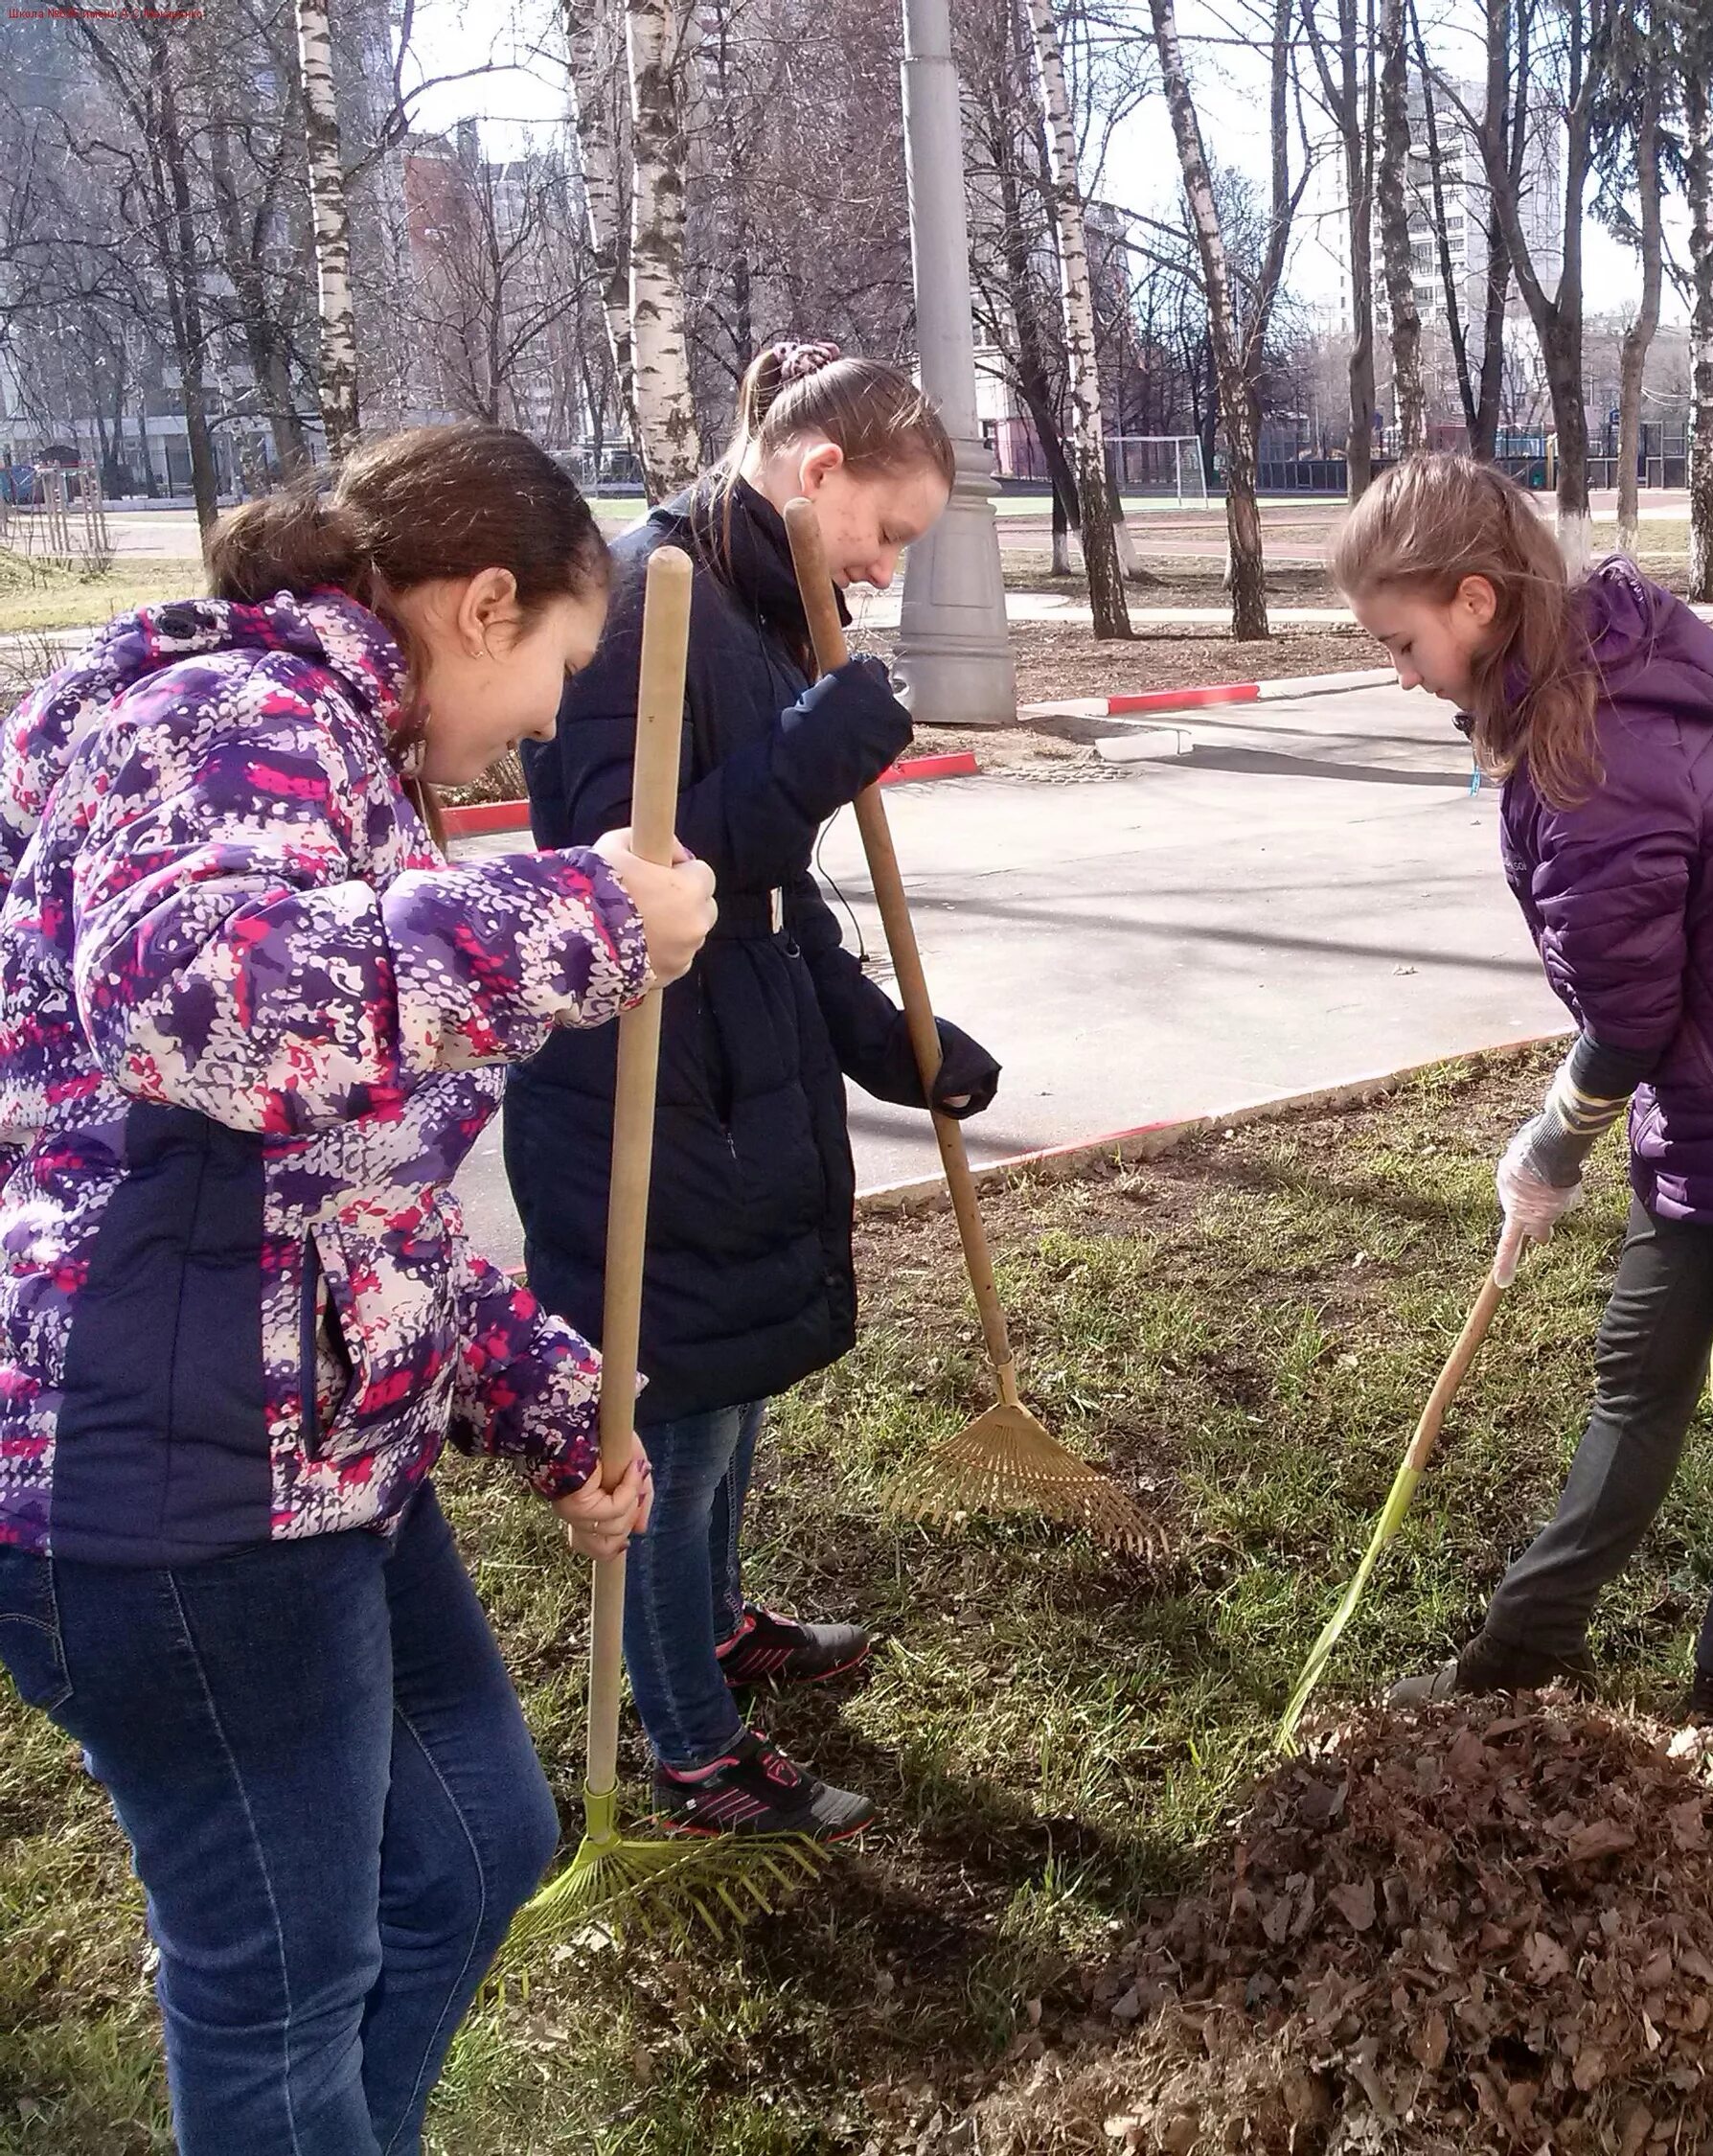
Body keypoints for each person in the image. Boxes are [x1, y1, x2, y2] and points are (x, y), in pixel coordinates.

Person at [0, 424, 717, 2154]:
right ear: (482, 604)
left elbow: (340, 1187)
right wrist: (576, 928)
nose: (554, 719)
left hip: (306, 1454)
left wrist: (559, 1408)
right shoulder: (231, 722)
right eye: (556, 663)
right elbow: (197, 1001)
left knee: (476, 1845)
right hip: (166, 1486)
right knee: (280, 1985)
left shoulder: (330, 749)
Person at [1330, 456, 1713, 1749]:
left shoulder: (1593, 758)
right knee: (1638, 1373)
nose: (1398, 672)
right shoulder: (1574, 699)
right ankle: (1523, 1648)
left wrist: (1555, 1131)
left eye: (1401, 642)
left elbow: (1632, 1012)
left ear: (1474, 601)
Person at [505, 340, 1000, 1841]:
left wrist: (883, 1036)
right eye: (887, 534)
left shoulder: (772, 604)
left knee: (739, 1392)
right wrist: (808, 750)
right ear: (817, 471)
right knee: (685, 1412)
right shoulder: (646, 593)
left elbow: (778, 898)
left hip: (746, 1061)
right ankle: (693, 1749)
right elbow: (623, 869)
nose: (886, 567)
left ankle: (715, 1623)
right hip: (652, 1091)